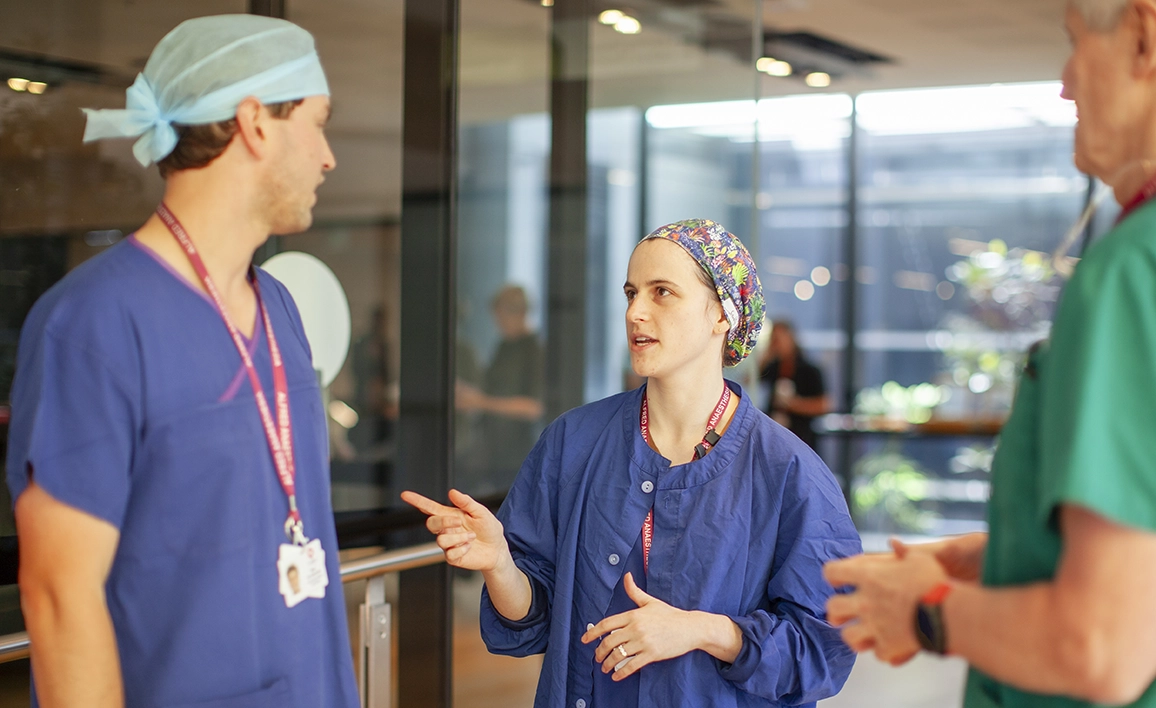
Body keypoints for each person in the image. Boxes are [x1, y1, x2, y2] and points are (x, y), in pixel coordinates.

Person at [5, 15, 359, 708]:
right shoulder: (95, 323)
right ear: (255, 122)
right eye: (317, 124)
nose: (327, 157)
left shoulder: (279, 307)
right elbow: (58, 599)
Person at [822, 1, 1156, 706]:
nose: (1065, 82)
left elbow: (1103, 646)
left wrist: (926, 609)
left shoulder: (1132, 270)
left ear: (1144, 36)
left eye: (1073, 45)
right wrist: (991, 559)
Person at [405, 219, 860, 708]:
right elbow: (532, 619)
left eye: (662, 292)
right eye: (631, 293)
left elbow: (823, 650)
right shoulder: (572, 441)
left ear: (721, 315)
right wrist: (499, 565)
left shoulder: (790, 473)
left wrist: (701, 631)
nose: (636, 313)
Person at [456, 284, 544, 494]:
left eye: (502, 317)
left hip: (517, 454)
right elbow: (490, 392)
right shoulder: (504, 346)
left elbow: (534, 408)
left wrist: (480, 402)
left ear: (520, 313)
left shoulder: (534, 351)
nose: (499, 323)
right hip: (493, 451)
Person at [758, 319, 831, 450]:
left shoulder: (810, 371)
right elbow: (752, 379)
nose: (777, 343)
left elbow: (823, 405)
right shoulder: (773, 368)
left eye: (780, 339)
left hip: (801, 436)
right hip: (774, 436)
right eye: (773, 339)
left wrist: (793, 405)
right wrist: (768, 353)